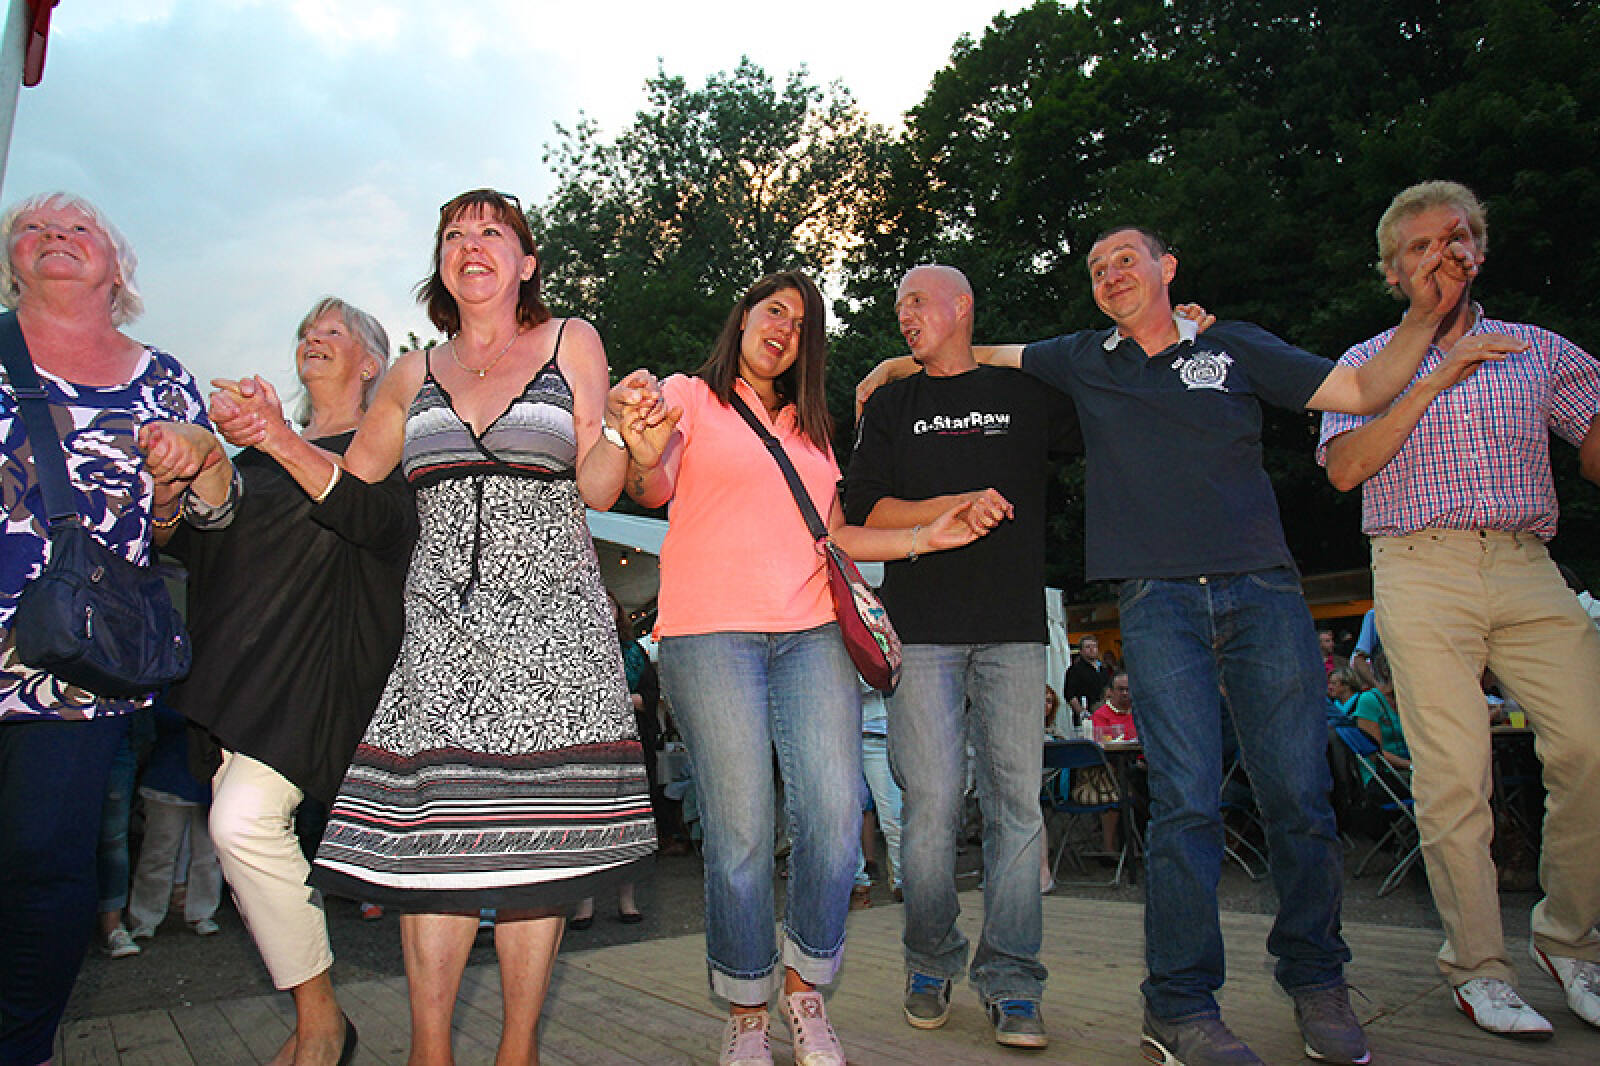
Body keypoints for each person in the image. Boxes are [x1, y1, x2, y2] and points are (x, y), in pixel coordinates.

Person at [854, 223, 1500, 1065]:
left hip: (1248, 590)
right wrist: (894, 368)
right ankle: (1163, 1000)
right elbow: (941, 396)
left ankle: (1310, 981)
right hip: (1135, 602)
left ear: (1168, 268)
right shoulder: (1077, 360)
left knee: (1298, 796)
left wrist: (1422, 315)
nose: (1110, 273)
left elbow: (1360, 388)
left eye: (1126, 259)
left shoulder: (1215, 350)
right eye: (1097, 266)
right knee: (1171, 805)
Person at [214, 190, 656, 1066]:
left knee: (536, 856)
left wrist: (628, 438)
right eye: (455, 233)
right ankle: (429, 1053)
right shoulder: (410, 374)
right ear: (442, 264)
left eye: (492, 231)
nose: (471, 243)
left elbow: (598, 484)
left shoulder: (571, 340)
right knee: (431, 853)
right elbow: (354, 491)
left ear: (526, 262)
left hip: (555, 639)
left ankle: (518, 1050)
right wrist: (273, 436)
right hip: (442, 644)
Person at [614, 270, 995, 1066]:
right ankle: (747, 1009)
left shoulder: (813, 430)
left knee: (833, 818)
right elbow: (653, 482)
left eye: (801, 323)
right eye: (775, 310)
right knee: (742, 831)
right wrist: (641, 450)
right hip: (710, 636)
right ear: (744, 318)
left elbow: (837, 536)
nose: (785, 329)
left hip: (811, 633)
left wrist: (928, 537)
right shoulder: (688, 395)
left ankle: (805, 989)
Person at [1319, 179, 1600, 1040]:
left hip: (1526, 561)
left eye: (1455, 238)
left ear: (1479, 251)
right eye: (1420, 247)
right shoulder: (1365, 360)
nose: (1441, 254)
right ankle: (1479, 966)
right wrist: (1434, 370)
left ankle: (1570, 939)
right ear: (1392, 271)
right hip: (1418, 564)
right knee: (1453, 772)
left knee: (1590, 745)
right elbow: (1345, 468)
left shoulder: (1537, 348)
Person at [0, 192, 234, 1066]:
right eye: (35, 228)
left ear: (117, 267)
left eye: (80, 229)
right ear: (13, 259)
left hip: (76, 664)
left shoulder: (160, 378)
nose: (56, 237)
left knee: (43, 863)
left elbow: (190, 525)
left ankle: (22, 1044)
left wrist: (190, 467)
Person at [844, 263, 1078, 1049]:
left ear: (963, 306)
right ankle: (929, 958)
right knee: (932, 806)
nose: (904, 313)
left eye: (917, 300)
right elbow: (864, 508)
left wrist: (1179, 332)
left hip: (1013, 629)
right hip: (924, 630)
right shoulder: (892, 405)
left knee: (1017, 808)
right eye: (898, 304)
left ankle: (1013, 980)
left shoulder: (1026, 395)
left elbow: (1108, 388)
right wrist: (956, 505)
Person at [182, 297, 412, 1066]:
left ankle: (322, 1026)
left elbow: (379, 526)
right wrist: (202, 462)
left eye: (333, 332)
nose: (314, 338)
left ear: (370, 363)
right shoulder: (257, 458)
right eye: (308, 332)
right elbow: (205, 549)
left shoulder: (386, 447)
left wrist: (275, 437)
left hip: (327, 668)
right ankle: (319, 1020)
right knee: (242, 833)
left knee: (242, 821)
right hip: (245, 672)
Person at [571, 593, 657, 928]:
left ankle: (627, 901)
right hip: (588, 748)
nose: (605, 611)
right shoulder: (575, 650)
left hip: (630, 745)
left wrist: (619, 698)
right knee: (587, 824)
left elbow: (651, 696)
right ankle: (584, 905)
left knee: (628, 822)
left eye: (610, 606)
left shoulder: (633, 652)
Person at [127, 698, 223, 940]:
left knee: (208, 854)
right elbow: (158, 716)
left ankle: (202, 912)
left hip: (208, 778)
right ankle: (144, 917)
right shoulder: (171, 683)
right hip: (169, 774)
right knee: (158, 851)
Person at [1063, 634, 1113, 724]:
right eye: (1088, 647)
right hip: (1087, 714)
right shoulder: (1074, 670)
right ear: (1081, 651)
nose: (1092, 649)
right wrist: (1082, 712)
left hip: (1106, 712)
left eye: (1094, 646)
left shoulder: (1104, 669)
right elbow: (1069, 695)